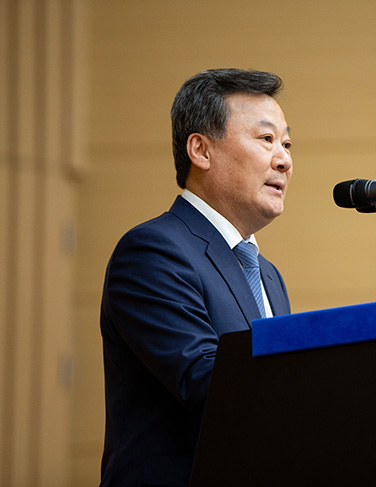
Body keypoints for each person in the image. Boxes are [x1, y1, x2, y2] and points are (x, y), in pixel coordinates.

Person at [99, 68, 293, 486]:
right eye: (266, 139)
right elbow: (208, 380)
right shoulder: (153, 251)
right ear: (201, 151)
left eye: (287, 143)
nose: (284, 159)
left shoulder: (268, 275)